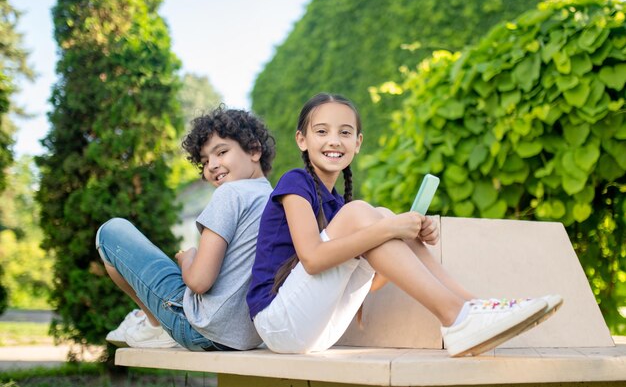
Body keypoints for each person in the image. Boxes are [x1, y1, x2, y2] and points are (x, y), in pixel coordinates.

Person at [246, 92, 561, 357]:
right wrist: (389, 229)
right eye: (322, 131)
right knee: (371, 216)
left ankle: (474, 307)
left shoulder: (339, 208)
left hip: (320, 330)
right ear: (302, 139)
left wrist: (410, 239)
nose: (334, 141)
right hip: (279, 323)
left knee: (378, 214)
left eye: (344, 133)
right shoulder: (295, 182)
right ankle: (456, 316)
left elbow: (370, 283)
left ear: (357, 143)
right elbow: (313, 260)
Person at [97, 107, 275, 351]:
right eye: (204, 161)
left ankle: (154, 324)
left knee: (111, 232)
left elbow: (199, 281)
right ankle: (151, 321)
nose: (212, 165)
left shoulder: (230, 193)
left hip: (200, 328)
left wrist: (187, 260)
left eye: (221, 152)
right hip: (249, 335)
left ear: (254, 150)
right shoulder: (275, 198)